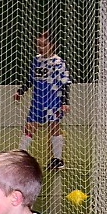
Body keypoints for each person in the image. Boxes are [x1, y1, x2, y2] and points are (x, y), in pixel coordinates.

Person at [13, 30, 71, 170]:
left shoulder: (58, 62)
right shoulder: (36, 60)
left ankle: (58, 159)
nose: (41, 48)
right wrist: (21, 91)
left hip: (53, 101)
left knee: (54, 127)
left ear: (52, 45)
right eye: (38, 45)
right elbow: (31, 79)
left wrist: (65, 102)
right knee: (29, 127)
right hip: (37, 101)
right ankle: (19, 157)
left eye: (44, 45)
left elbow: (65, 83)